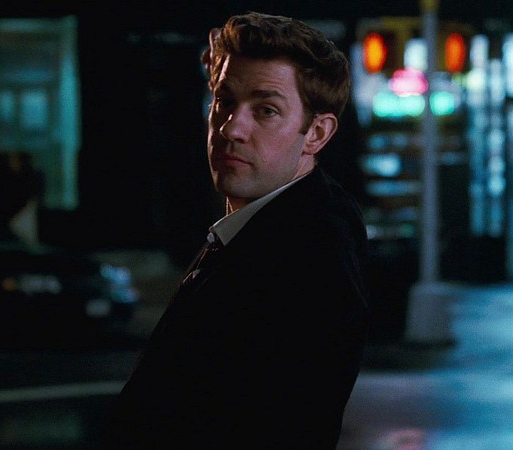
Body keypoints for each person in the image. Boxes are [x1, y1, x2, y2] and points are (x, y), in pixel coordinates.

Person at [101, 12, 370, 449]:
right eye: (224, 101)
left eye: (266, 110)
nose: (231, 128)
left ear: (316, 133)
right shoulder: (278, 225)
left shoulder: (307, 258)